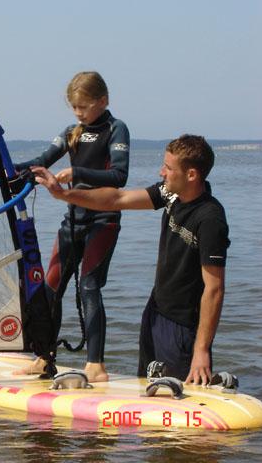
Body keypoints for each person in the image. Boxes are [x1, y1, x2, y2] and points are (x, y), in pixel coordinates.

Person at [31, 134, 230, 385]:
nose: (161, 172)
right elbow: (118, 199)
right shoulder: (170, 195)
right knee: (147, 387)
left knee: (178, 400)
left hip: (183, 327)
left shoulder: (210, 218)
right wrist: (62, 195)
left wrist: (201, 350)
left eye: (168, 168)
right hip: (155, 312)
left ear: (191, 175)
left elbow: (214, 288)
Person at [14, 71, 130, 382]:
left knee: (89, 286)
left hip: (104, 220)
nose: (78, 113)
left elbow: (119, 177)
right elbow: (41, 160)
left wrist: (75, 172)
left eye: (83, 107)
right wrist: (9, 170)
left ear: (102, 101)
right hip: (74, 219)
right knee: (50, 286)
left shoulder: (116, 129)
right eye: (74, 107)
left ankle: (96, 365)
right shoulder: (71, 131)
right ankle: (44, 357)